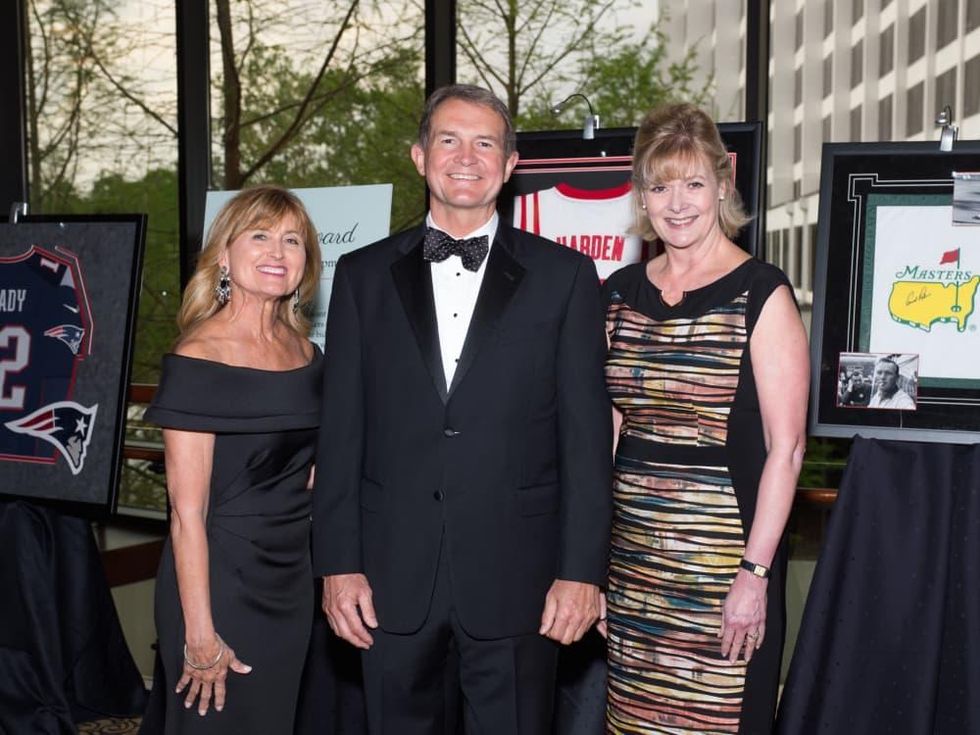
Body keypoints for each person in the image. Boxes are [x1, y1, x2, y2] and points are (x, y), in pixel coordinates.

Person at [312, 84, 612, 734]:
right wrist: (337, 564)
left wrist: (581, 572)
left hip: (521, 578)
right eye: (449, 139)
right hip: (389, 575)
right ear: (420, 156)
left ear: (509, 166)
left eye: (485, 143)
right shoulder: (362, 277)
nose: (466, 157)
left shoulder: (565, 278)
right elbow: (340, 434)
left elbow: (586, 441)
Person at [601, 103, 809, 734]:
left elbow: (788, 447)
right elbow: (609, 435)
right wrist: (591, 567)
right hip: (632, 566)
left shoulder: (762, 292)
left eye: (693, 183)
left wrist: (754, 576)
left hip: (724, 566)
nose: (678, 202)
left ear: (722, 187)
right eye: (660, 185)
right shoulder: (616, 293)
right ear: (642, 196)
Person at [144, 185, 323, 733]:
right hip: (219, 583)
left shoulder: (309, 355)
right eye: (260, 236)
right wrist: (199, 633)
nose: (277, 252)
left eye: (292, 240)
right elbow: (186, 514)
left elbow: (315, 468)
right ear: (224, 254)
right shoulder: (198, 358)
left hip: (293, 578)